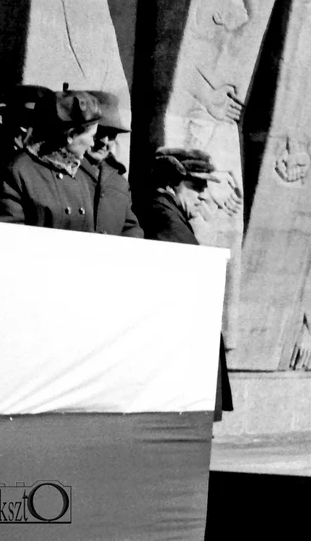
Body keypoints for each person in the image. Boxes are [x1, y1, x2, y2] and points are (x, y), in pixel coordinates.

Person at [139, 148, 232, 422]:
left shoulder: (170, 212)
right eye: (195, 186)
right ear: (171, 182)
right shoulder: (162, 213)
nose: (203, 194)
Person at [0, 90, 101, 231]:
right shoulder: (18, 172)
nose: (92, 144)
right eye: (92, 136)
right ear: (71, 135)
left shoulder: (83, 174)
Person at [84, 91, 142, 237]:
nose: (104, 142)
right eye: (99, 132)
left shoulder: (119, 183)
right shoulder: (64, 172)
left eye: (111, 135)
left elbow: (130, 228)